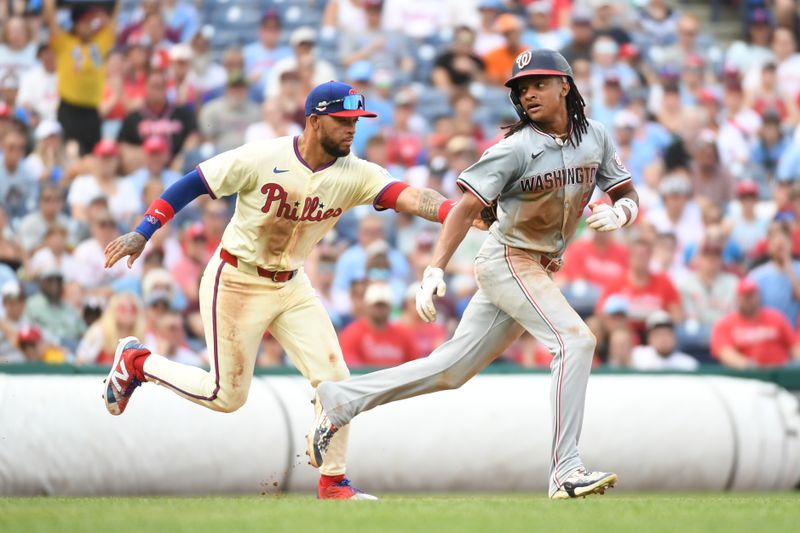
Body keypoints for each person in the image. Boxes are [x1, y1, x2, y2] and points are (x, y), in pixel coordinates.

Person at [102, 80, 460, 500]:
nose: (351, 130)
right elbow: (193, 183)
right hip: (236, 277)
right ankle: (137, 362)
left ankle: (333, 483)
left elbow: (411, 196)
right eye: (343, 121)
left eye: (355, 122)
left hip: (292, 283)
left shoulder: (355, 172)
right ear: (313, 121)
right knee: (225, 396)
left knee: (335, 378)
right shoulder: (263, 156)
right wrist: (145, 231)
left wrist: (459, 212)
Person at [308, 50, 639, 499]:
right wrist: (434, 269)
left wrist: (621, 212)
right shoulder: (514, 147)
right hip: (509, 259)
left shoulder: (594, 136)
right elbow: (464, 208)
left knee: (450, 370)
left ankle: (341, 400)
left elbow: (625, 191)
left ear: (565, 85)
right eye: (522, 88)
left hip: (535, 267)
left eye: (538, 83)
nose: (528, 94)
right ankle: (565, 470)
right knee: (575, 341)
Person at [44, 0, 120, 155]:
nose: (89, 25)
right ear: (77, 23)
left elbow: (115, 15)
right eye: (86, 21)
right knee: (68, 152)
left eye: (91, 21)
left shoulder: (101, 42)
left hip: (92, 111)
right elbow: (51, 18)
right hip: (69, 109)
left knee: (93, 153)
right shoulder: (64, 42)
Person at [711, 278, 800, 368]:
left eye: (752, 295)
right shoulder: (725, 323)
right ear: (738, 298)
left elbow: (794, 346)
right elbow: (725, 353)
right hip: (746, 377)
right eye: (745, 296)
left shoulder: (776, 317)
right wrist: (750, 367)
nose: (749, 300)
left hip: (780, 373)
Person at [630, 311, 699, 371]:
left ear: (674, 337)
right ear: (649, 338)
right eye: (658, 334)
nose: (663, 339)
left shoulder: (688, 364)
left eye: (667, 334)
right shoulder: (637, 357)